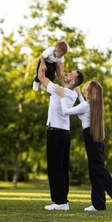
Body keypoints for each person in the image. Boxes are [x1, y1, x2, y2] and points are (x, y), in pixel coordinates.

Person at [53, 81, 112, 211]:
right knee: (94, 170)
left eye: (86, 86)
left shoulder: (87, 105)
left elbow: (66, 111)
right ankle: (98, 204)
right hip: (95, 137)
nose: (84, 86)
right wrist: (78, 94)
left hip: (90, 136)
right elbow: (83, 106)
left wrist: (62, 96)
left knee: (98, 169)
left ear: (90, 90)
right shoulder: (92, 105)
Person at [37, 62, 85, 211]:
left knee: (55, 168)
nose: (67, 73)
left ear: (72, 82)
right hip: (64, 133)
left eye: (71, 74)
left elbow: (40, 77)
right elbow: (60, 75)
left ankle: (59, 202)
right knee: (62, 168)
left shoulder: (59, 91)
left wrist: (43, 61)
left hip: (56, 133)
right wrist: (60, 64)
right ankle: (63, 201)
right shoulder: (69, 92)